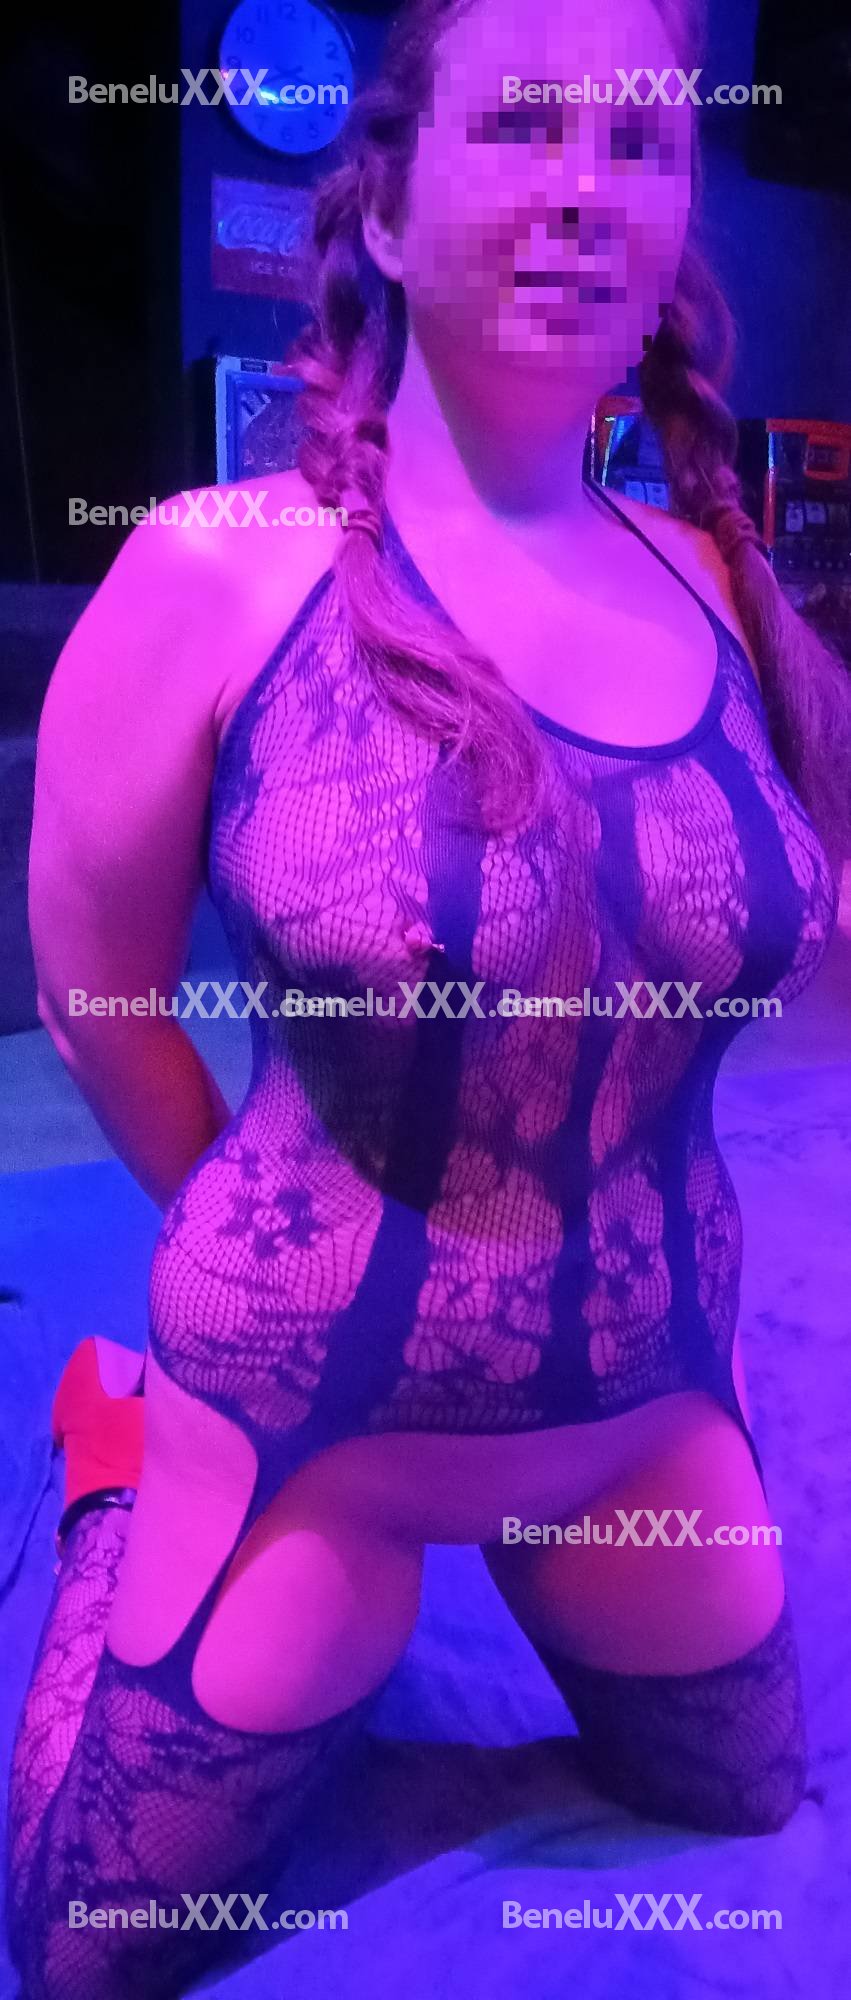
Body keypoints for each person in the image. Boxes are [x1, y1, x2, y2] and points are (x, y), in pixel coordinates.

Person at [9, 1, 850, 1994]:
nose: (586, 189)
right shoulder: (216, 570)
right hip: (325, 1428)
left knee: (745, 1796)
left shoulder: (723, 585)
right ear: (384, 211)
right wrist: (253, 1240)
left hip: (647, 1411)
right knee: (92, 1940)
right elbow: (92, 982)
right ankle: (117, 1462)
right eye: (526, 125)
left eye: (643, 142)